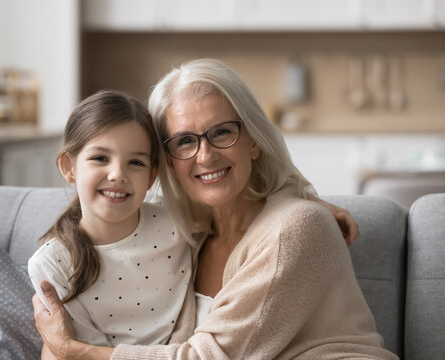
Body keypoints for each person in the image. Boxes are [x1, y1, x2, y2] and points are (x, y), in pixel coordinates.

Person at [33, 59, 397, 359]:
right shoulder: (187, 229)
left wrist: (72, 351)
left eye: (222, 133)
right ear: (169, 161)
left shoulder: (293, 228)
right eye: (184, 141)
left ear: (253, 140)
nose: (205, 156)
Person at [28, 90, 193, 357]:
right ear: (69, 166)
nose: (118, 174)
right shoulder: (51, 264)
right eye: (100, 158)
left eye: (136, 162)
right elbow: (82, 353)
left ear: (152, 176)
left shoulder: (177, 221)